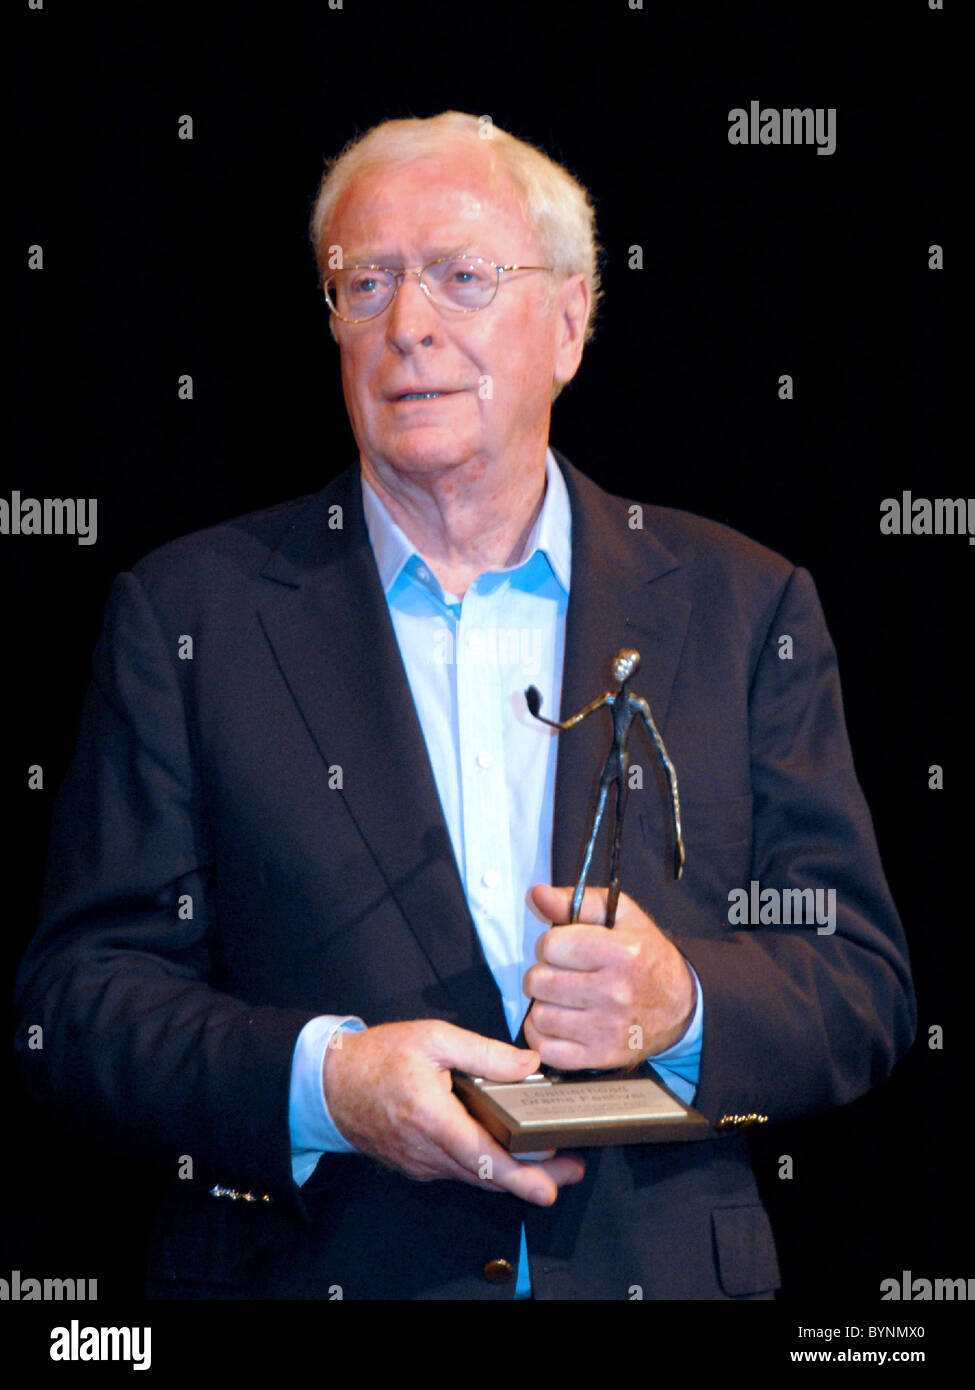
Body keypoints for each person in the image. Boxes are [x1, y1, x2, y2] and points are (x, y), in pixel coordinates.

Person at [14, 111, 915, 1300]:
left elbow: (861, 981)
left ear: (572, 321)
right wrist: (325, 1085)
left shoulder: (746, 606)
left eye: (463, 276)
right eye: (365, 281)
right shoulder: (189, 617)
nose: (409, 326)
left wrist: (682, 1005)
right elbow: (80, 1007)